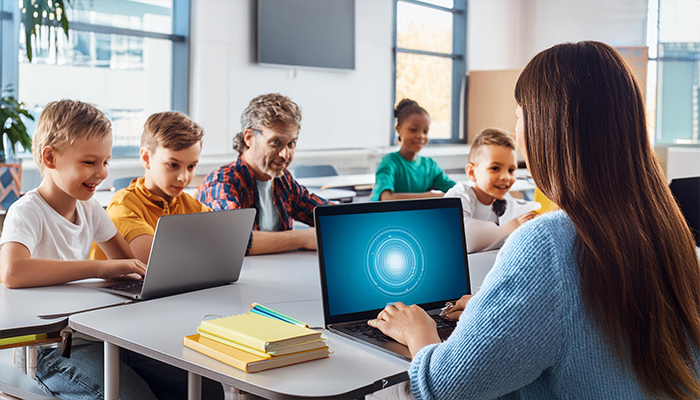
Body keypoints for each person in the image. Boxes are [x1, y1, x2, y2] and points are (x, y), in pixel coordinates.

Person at [368, 41, 700, 399]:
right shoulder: (668, 228)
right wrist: (489, 308)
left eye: (519, 114)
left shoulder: (547, 242)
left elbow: (446, 388)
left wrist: (417, 329)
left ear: (545, 127)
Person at [0, 100, 160, 399]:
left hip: (99, 335)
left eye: (106, 162)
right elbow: (12, 272)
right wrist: (99, 268)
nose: (101, 173)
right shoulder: (27, 211)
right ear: (50, 157)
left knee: (203, 388)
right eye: (89, 162)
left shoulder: (90, 209)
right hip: (49, 349)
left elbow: (126, 262)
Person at [196, 93, 329, 255]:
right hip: (241, 279)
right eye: (275, 143)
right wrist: (303, 238)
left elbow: (326, 215)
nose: (285, 155)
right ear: (249, 138)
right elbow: (233, 240)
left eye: (291, 143)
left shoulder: (283, 180)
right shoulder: (222, 182)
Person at [91, 111, 211, 263]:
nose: (184, 177)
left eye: (191, 166)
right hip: (120, 285)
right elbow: (155, 261)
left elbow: (223, 244)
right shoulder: (123, 205)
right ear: (146, 158)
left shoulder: (193, 207)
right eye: (173, 165)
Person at [445, 128, 539, 252]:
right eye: (495, 168)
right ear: (472, 172)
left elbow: (524, 211)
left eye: (511, 170)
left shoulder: (505, 200)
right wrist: (511, 226)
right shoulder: (460, 195)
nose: (506, 177)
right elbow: (458, 236)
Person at [370, 99, 455, 201]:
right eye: (413, 130)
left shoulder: (430, 166)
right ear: (398, 129)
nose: (420, 136)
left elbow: (455, 190)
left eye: (425, 131)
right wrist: (431, 196)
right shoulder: (389, 162)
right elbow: (386, 198)